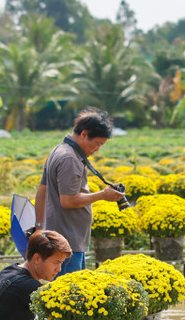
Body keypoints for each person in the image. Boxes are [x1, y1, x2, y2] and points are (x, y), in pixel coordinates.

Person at [35, 108, 124, 275]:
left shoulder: (60, 149)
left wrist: (39, 227)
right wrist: (103, 195)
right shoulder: (70, 158)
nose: (97, 149)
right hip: (67, 242)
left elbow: (42, 188)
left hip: (63, 239)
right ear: (84, 134)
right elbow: (68, 201)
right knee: (71, 296)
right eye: (97, 143)